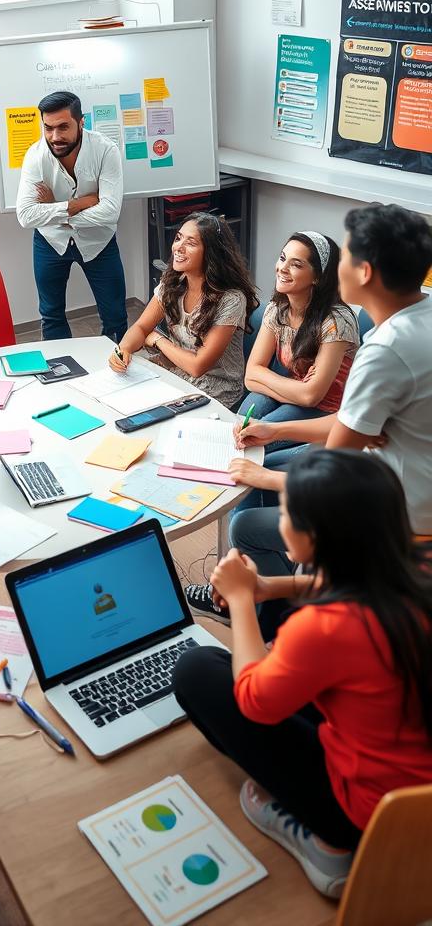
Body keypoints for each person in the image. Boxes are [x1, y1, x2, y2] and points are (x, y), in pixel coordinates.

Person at [173, 450, 432, 900]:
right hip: (418, 783)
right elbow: (366, 581)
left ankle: (328, 845)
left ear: (315, 537)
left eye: (287, 513)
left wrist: (239, 600)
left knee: (196, 669)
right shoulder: (418, 564)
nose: (280, 522)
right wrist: (276, 586)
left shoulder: (324, 626)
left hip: (370, 812)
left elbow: (254, 699)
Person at [216, 204, 432, 630]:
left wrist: (268, 477)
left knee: (246, 522)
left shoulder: (384, 349)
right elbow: (349, 424)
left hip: (399, 512)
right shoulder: (420, 319)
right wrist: (274, 429)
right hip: (402, 482)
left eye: (346, 256)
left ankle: (274, 621)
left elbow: (334, 473)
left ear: (365, 272)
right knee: (268, 457)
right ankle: (272, 598)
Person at [110, 212, 258, 409]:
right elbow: (141, 327)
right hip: (176, 372)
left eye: (191, 243)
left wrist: (157, 339)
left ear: (211, 253)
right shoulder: (173, 282)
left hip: (215, 388)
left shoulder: (230, 299)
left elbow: (198, 366)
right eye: (178, 238)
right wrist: (124, 349)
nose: (178, 247)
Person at [16, 90, 127, 343]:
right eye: (48, 128)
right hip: (50, 241)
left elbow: (111, 211)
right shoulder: (35, 156)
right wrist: (80, 204)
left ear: (81, 122)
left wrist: (55, 211)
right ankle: (61, 373)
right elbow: (25, 215)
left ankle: (117, 372)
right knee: (51, 315)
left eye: (63, 127)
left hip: (99, 242)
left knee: (115, 315)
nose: (55, 137)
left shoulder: (105, 150)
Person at [241, 231, 358, 449]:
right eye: (283, 258)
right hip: (292, 394)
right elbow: (250, 376)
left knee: (252, 441)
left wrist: (268, 379)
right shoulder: (278, 308)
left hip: (326, 411)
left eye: (296, 264)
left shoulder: (336, 320)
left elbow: (313, 397)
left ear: (317, 277)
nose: (282, 268)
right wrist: (299, 389)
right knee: (240, 425)